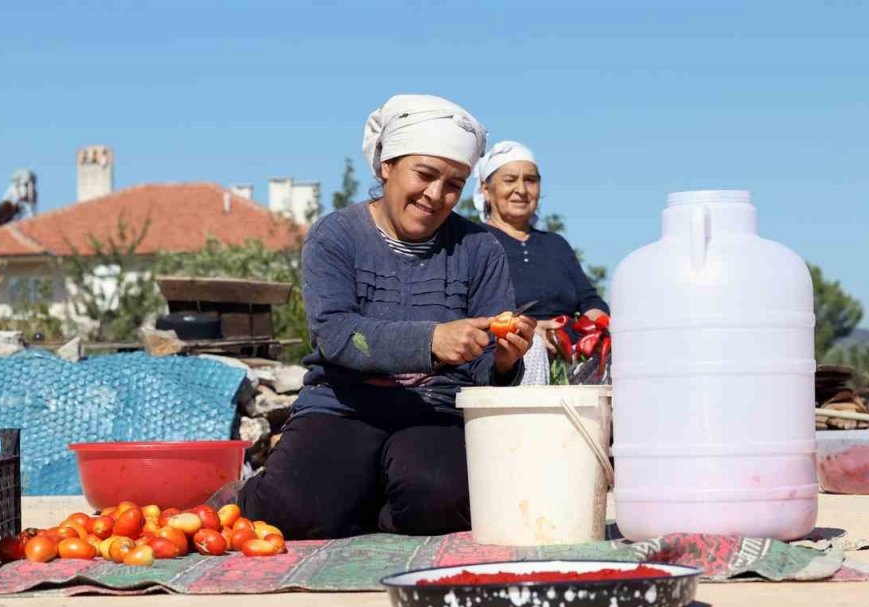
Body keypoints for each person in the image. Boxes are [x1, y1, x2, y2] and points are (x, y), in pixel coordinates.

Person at [238, 94, 536, 540]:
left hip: (435, 413)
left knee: (438, 500)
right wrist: (431, 341)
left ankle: (369, 499)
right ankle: (256, 492)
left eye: (453, 184)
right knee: (293, 510)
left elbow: (481, 368)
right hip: (344, 406)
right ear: (386, 167)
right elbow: (338, 335)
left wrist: (506, 360)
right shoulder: (335, 236)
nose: (436, 195)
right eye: (425, 174)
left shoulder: (480, 249)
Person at [473, 141, 609, 384]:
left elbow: (590, 299)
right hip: (510, 354)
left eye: (530, 180)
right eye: (510, 179)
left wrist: (596, 323)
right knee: (530, 347)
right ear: (486, 188)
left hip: (570, 353)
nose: (521, 189)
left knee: (615, 348)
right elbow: (471, 308)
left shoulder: (556, 244)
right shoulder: (475, 241)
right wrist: (529, 330)